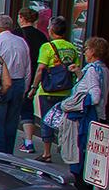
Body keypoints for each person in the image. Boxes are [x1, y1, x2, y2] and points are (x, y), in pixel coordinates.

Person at [59, 37, 109, 190]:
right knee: (90, 164)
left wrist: (73, 103)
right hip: (98, 120)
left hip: (86, 121)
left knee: (79, 164)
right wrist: (79, 74)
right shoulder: (103, 70)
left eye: (87, 49)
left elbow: (94, 95)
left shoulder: (92, 70)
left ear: (94, 51)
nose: (85, 52)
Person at [31, 17, 79, 162]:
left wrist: (34, 87)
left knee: (47, 120)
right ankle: (64, 148)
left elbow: (40, 69)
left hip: (48, 91)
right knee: (63, 121)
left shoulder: (47, 47)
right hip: (65, 90)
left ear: (51, 30)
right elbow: (75, 69)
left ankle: (47, 153)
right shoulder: (72, 48)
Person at [0, 15, 30, 154]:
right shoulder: (22, 42)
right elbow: (28, 67)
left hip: (2, 83)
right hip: (19, 83)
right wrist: (25, 87)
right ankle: (7, 154)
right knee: (12, 122)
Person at [15, 8, 48, 152]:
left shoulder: (15, 34)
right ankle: (29, 141)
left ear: (21, 18)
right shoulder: (41, 36)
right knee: (28, 108)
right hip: (35, 75)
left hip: (17, 75)